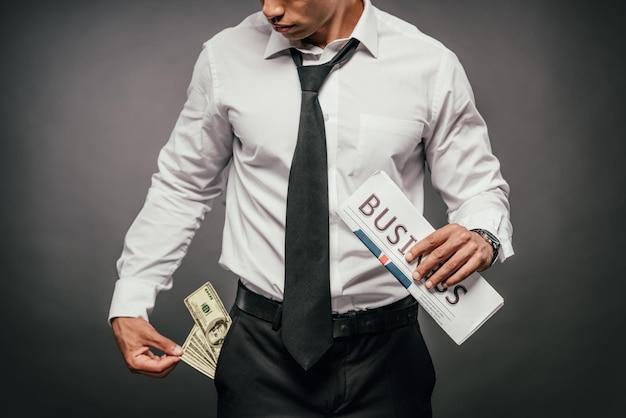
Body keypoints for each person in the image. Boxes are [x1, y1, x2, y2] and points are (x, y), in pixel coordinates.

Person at [108, 0, 514, 416]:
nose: (270, 8)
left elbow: (479, 188)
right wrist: (131, 299)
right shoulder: (225, 58)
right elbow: (182, 185)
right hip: (261, 354)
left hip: (388, 357)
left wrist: (482, 235)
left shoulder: (428, 64)